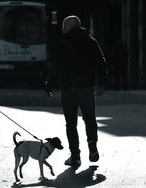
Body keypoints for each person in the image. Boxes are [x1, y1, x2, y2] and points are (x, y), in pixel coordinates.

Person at [44, 16, 108, 166]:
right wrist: (101, 84)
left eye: (64, 25)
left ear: (72, 27)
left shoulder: (65, 43)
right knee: (90, 119)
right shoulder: (91, 42)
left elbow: (56, 67)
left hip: (69, 89)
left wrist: (48, 86)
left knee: (71, 124)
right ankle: (92, 145)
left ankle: (75, 156)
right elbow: (101, 63)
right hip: (86, 88)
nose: (62, 28)